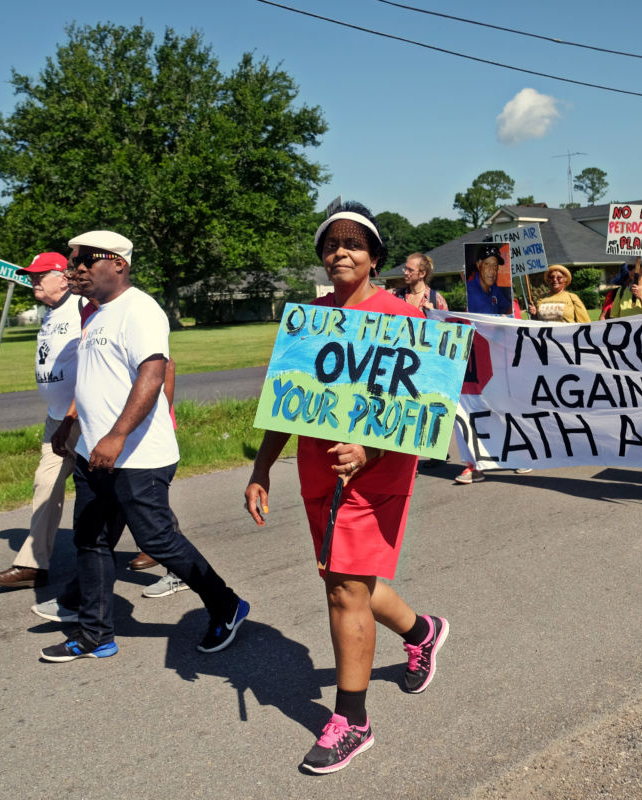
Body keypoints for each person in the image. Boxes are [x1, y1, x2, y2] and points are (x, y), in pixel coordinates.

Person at [244, 203, 448, 774]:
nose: (341, 252)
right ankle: (422, 631)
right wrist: (262, 467)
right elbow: (286, 400)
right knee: (343, 579)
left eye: (354, 243)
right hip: (318, 470)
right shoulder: (310, 320)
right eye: (332, 244)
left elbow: (424, 409)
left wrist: (371, 449)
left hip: (377, 473)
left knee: (344, 592)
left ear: (375, 257)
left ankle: (351, 722)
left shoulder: (406, 317)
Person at [39, 230, 247, 662]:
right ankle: (96, 634)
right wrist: (71, 423)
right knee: (92, 540)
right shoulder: (94, 314)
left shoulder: (140, 309)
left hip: (138, 455)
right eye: (74, 261)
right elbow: (98, 377)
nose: (76, 268)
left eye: (85, 261)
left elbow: (152, 375)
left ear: (118, 263)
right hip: (93, 452)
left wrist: (116, 436)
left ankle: (227, 606)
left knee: (160, 540)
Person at [0, 252, 82, 590]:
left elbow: (94, 368)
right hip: (56, 420)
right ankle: (32, 565)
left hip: (82, 419)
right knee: (45, 486)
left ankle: (160, 545)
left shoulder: (82, 309)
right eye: (31, 275)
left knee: (118, 490)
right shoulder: (50, 313)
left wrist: (73, 415)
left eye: (41, 275)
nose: (33, 281)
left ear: (63, 277)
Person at [465, 244, 513, 315]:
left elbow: (509, 307)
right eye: (487, 265)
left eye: (495, 266)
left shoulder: (495, 289)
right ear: (479, 265)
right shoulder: (468, 291)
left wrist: (507, 316)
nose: (492, 271)